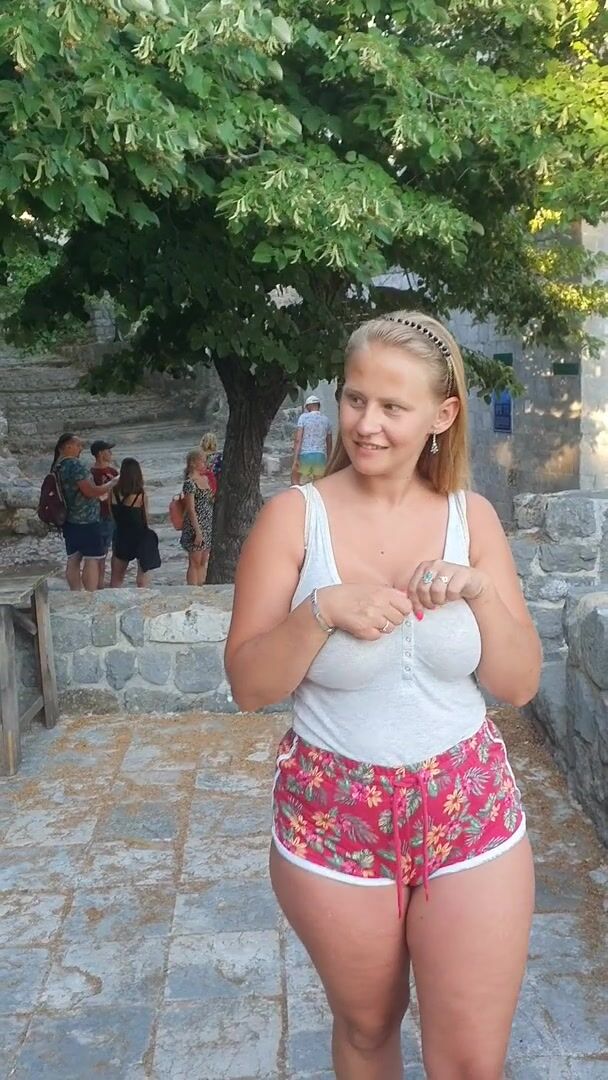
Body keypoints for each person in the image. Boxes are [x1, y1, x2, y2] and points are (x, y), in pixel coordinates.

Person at [225, 311, 542, 1080]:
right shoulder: (293, 519)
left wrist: (480, 593)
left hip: (468, 806)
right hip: (333, 814)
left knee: (470, 1062)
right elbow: (248, 685)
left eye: (392, 406)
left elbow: (519, 683)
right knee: (369, 1028)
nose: (366, 424)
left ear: (442, 415)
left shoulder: (473, 520)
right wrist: (319, 611)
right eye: (354, 398)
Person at [53, 432, 117, 592]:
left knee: (73, 558)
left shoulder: (58, 466)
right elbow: (90, 491)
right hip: (87, 520)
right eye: (78, 445)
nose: (81, 448)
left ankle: (75, 593)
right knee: (92, 559)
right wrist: (111, 484)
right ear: (68, 446)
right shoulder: (76, 465)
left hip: (69, 520)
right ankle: (90, 595)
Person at [110, 457, 154, 588]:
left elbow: (112, 516)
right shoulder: (140, 495)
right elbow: (145, 518)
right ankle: (141, 598)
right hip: (139, 537)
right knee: (142, 579)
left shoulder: (113, 492)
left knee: (116, 579)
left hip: (121, 536)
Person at [181, 449, 214, 585]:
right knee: (194, 562)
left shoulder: (205, 479)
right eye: (203, 461)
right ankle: (192, 590)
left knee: (203, 561)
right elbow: (191, 509)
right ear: (194, 463)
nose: (205, 464)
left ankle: (201, 587)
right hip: (196, 525)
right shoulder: (190, 483)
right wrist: (198, 531)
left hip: (207, 523)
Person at [90, 439, 118, 588]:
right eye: (108, 450)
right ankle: (99, 582)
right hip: (101, 515)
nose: (111, 453)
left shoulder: (113, 472)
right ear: (100, 453)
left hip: (114, 514)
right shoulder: (91, 474)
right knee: (100, 552)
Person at [291, 394, 333, 485]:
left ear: (309, 406)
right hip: (320, 457)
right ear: (318, 406)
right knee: (318, 485)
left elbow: (298, 439)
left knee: (297, 482)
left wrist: (295, 459)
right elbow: (329, 442)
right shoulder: (326, 420)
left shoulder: (303, 418)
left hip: (305, 455)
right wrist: (329, 459)